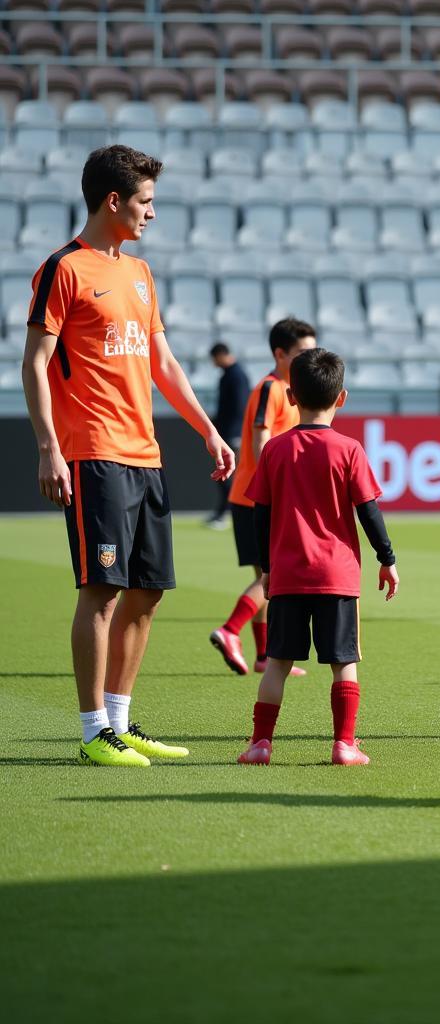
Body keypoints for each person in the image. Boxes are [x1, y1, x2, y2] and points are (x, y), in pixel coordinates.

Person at [21, 144, 235, 766]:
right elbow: (34, 362)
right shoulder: (62, 269)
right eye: (146, 202)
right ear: (113, 201)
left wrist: (206, 431)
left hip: (146, 454)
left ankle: (119, 718)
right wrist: (48, 448)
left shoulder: (140, 274)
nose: (152, 214)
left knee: (147, 592)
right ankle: (93, 731)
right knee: (103, 591)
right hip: (92, 453)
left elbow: (162, 363)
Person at [236, 348, 398, 766]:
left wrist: (268, 568)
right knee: (343, 662)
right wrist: (387, 557)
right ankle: (344, 744)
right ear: (341, 397)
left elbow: (261, 515)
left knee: (276, 663)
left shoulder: (273, 451)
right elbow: (369, 511)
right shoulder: (349, 449)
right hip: (337, 576)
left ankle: (260, 744)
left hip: (288, 574)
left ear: (291, 397)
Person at [209, 318, 316, 678]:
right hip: (261, 499)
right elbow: (261, 439)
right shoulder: (271, 389)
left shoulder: (290, 387)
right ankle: (230, 629)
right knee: (275, 576)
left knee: (266, 576)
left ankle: (264, 656)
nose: (310, 357)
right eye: (303, 351)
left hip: (255, 497)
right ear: (280, 353)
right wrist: (276, 487)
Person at [205, 341, 249, 529]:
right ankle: (222, 513)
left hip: (232, 433)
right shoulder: (232, 374)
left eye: (215, 359)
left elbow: (239, 407)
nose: (214, 363)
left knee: (227, 473)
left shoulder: (236, 376)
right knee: (226, 474)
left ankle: (226, 514)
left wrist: (228, 430)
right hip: (229, 432)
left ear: (221, 355)